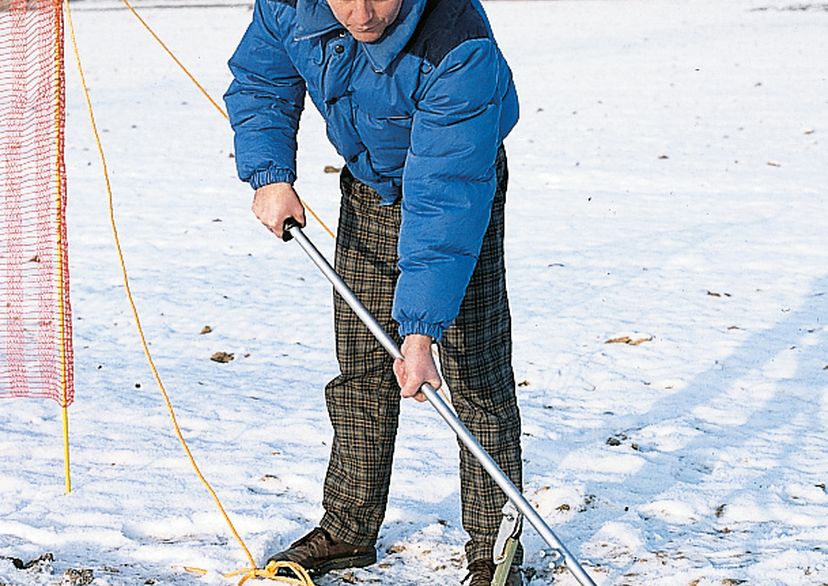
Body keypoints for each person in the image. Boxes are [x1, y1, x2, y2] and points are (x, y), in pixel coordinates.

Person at [225, 0, 522, 583]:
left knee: (472, 369)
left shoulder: (458, 48)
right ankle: (349, 528)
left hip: (458, 187)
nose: (360, 13)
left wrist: (420, 331)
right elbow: (262, 78)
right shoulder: (289, 6)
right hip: (367, 182)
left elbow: (444, 199)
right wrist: (270, 172)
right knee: (362, 365)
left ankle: (494, 547)